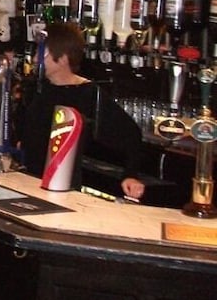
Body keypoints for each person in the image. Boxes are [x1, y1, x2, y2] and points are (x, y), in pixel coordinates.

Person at [16, 21, 146, 201]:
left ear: (63, 59)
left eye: (42, 53)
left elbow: (131, 135)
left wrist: (130, 174)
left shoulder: (88, 94)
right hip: (26, 182)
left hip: (65, 191)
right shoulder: (35, 88)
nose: (35, 59)